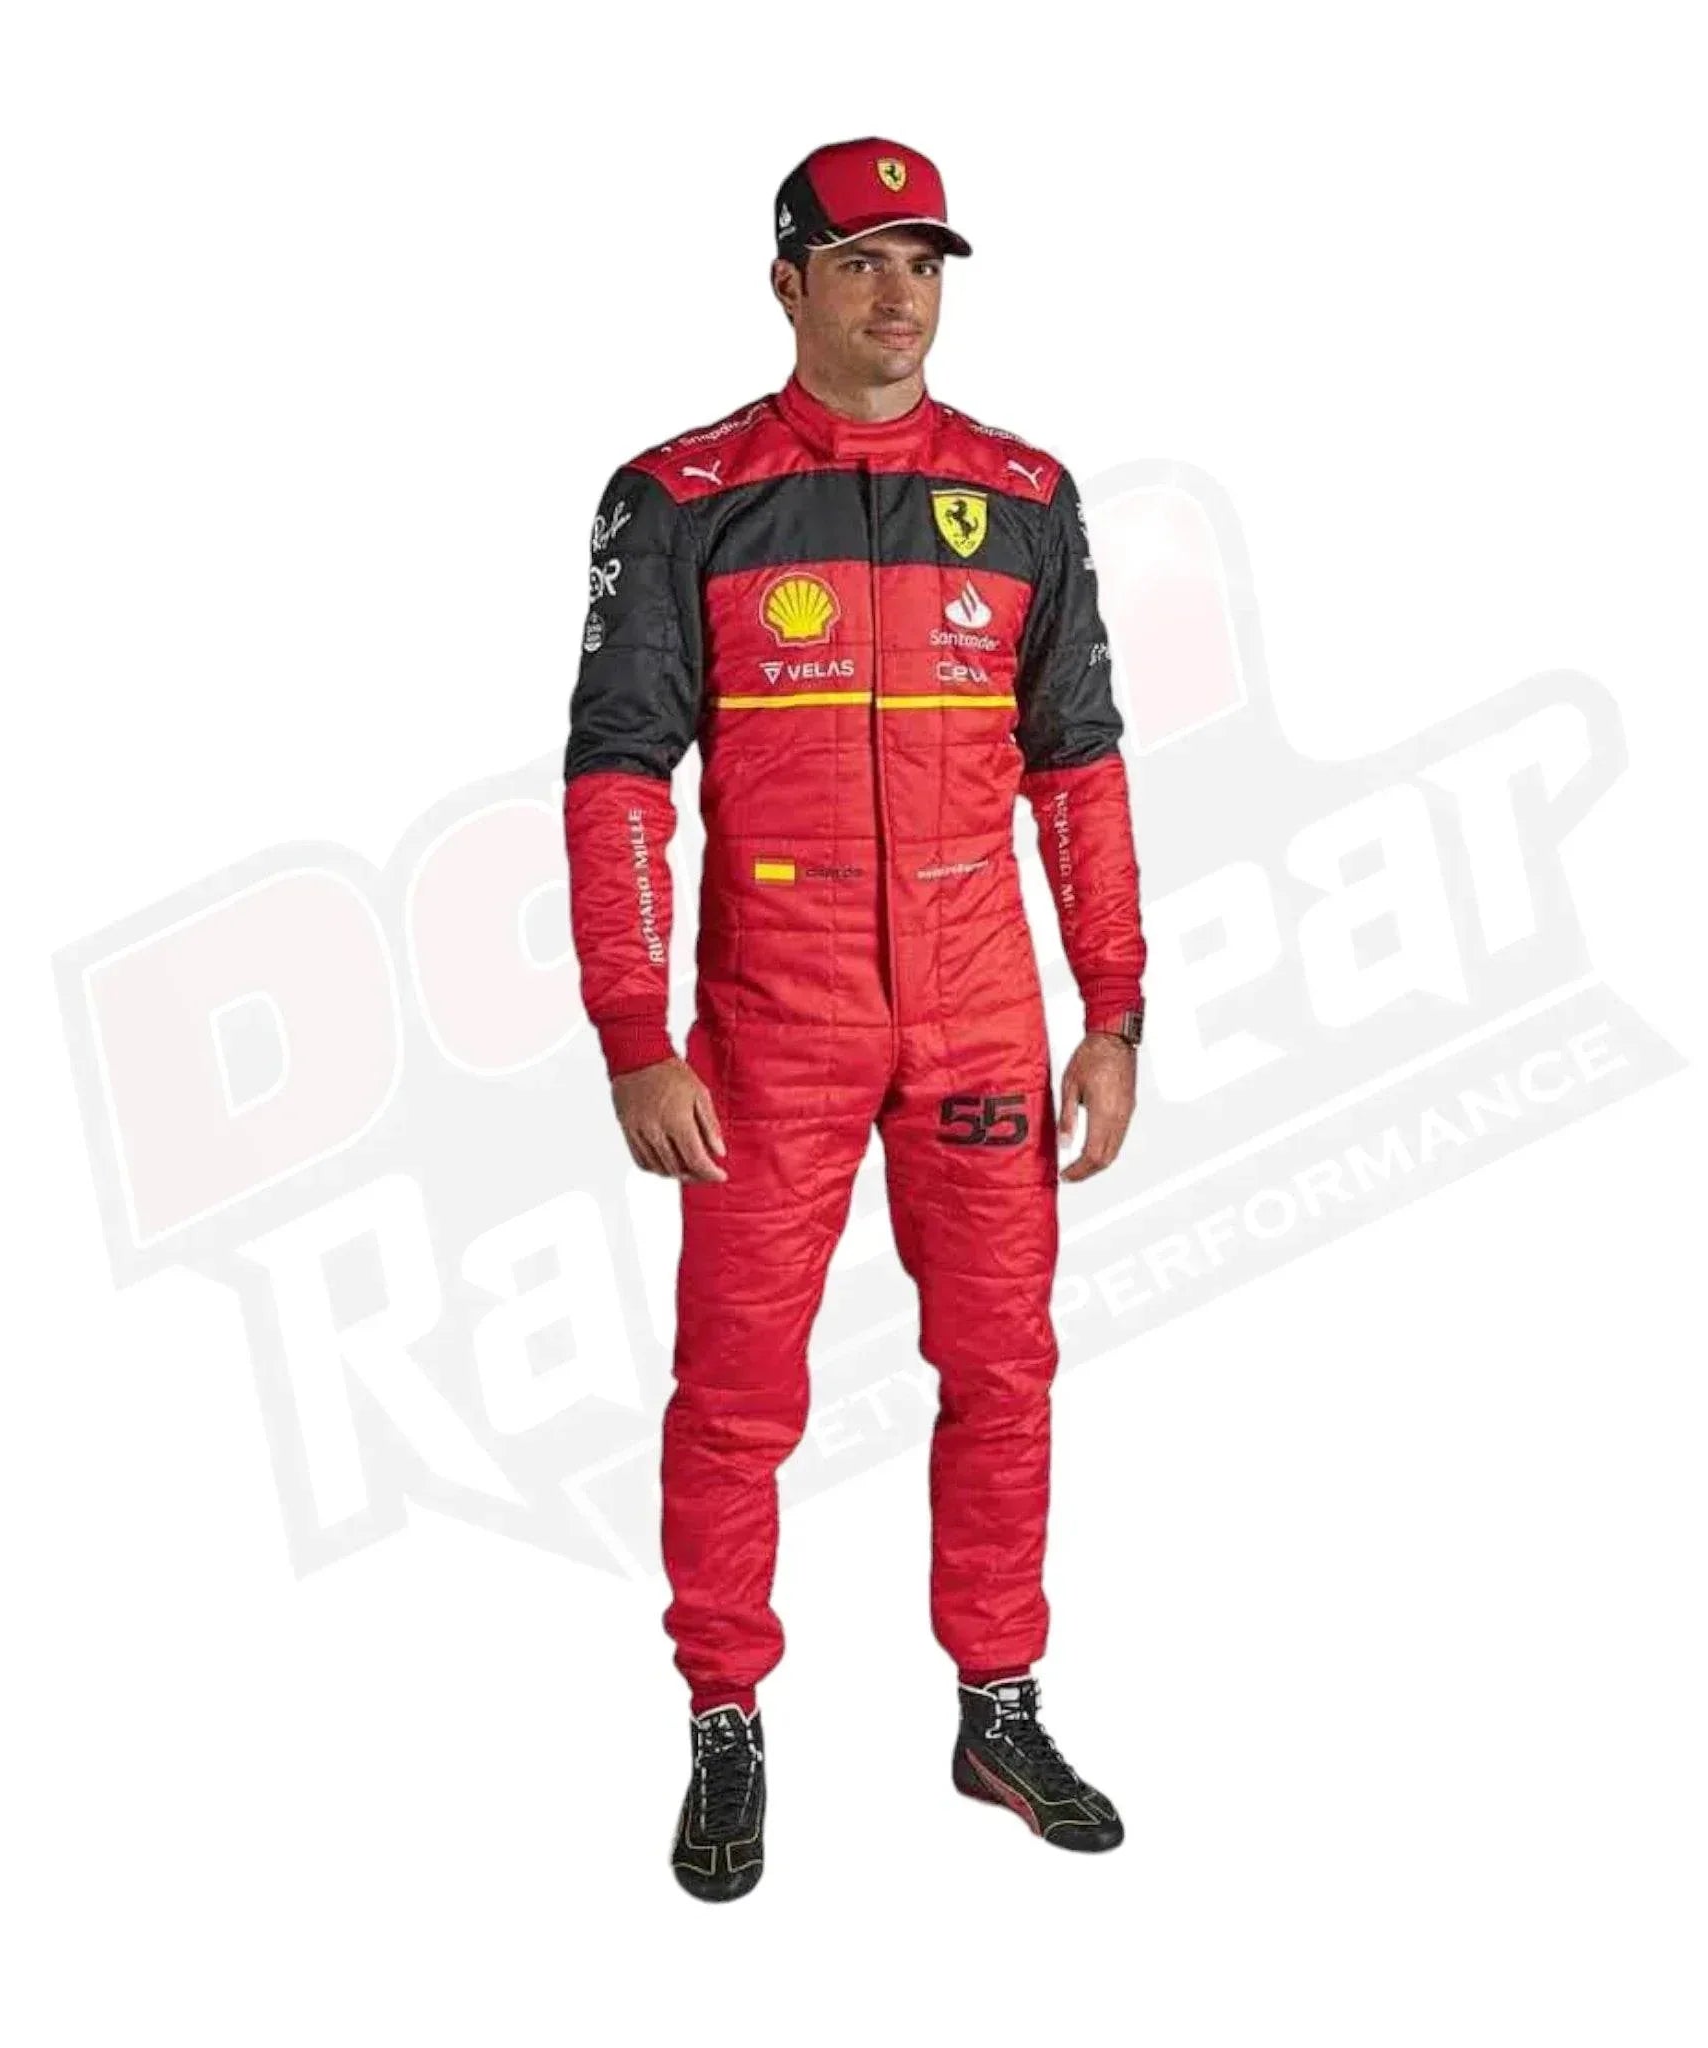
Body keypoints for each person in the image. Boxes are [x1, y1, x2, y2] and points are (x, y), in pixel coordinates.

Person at [562, 137, 1148, 1902]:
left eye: (926, 261)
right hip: (774, 1023)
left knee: (1005, 1372)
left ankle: (999, 1706)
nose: (902, 294)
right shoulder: (681, 496)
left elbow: (1080, 769)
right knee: (738, 1394)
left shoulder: (1024, 495)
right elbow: (618, 776)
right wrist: (634, 1031)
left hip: (979, 1019)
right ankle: (725, 1718)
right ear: (788, 283)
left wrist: (1114, 1011)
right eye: (862, 260)